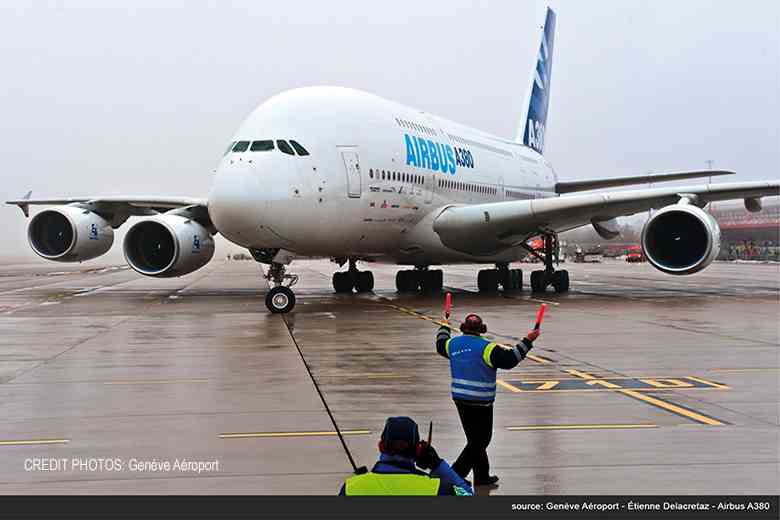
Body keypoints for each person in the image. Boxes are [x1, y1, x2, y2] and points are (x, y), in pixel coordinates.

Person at [436, 313, 540, 487]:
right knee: (481, 440)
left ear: (463, 327)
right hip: (480, 402)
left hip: (460, 399)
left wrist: (444, 325)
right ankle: (454, 476)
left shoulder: (452, 344)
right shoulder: (488, 348)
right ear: (482, 329)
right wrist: (528, 340)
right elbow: (510, 359)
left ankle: (482, 476)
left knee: (474, 439)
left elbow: (440, 344)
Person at [339, 416, 473, 496]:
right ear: (418, 450)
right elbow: (467, 494)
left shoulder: (351, 488)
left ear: (381, 446)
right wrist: (437, 464)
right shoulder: (435, 488)